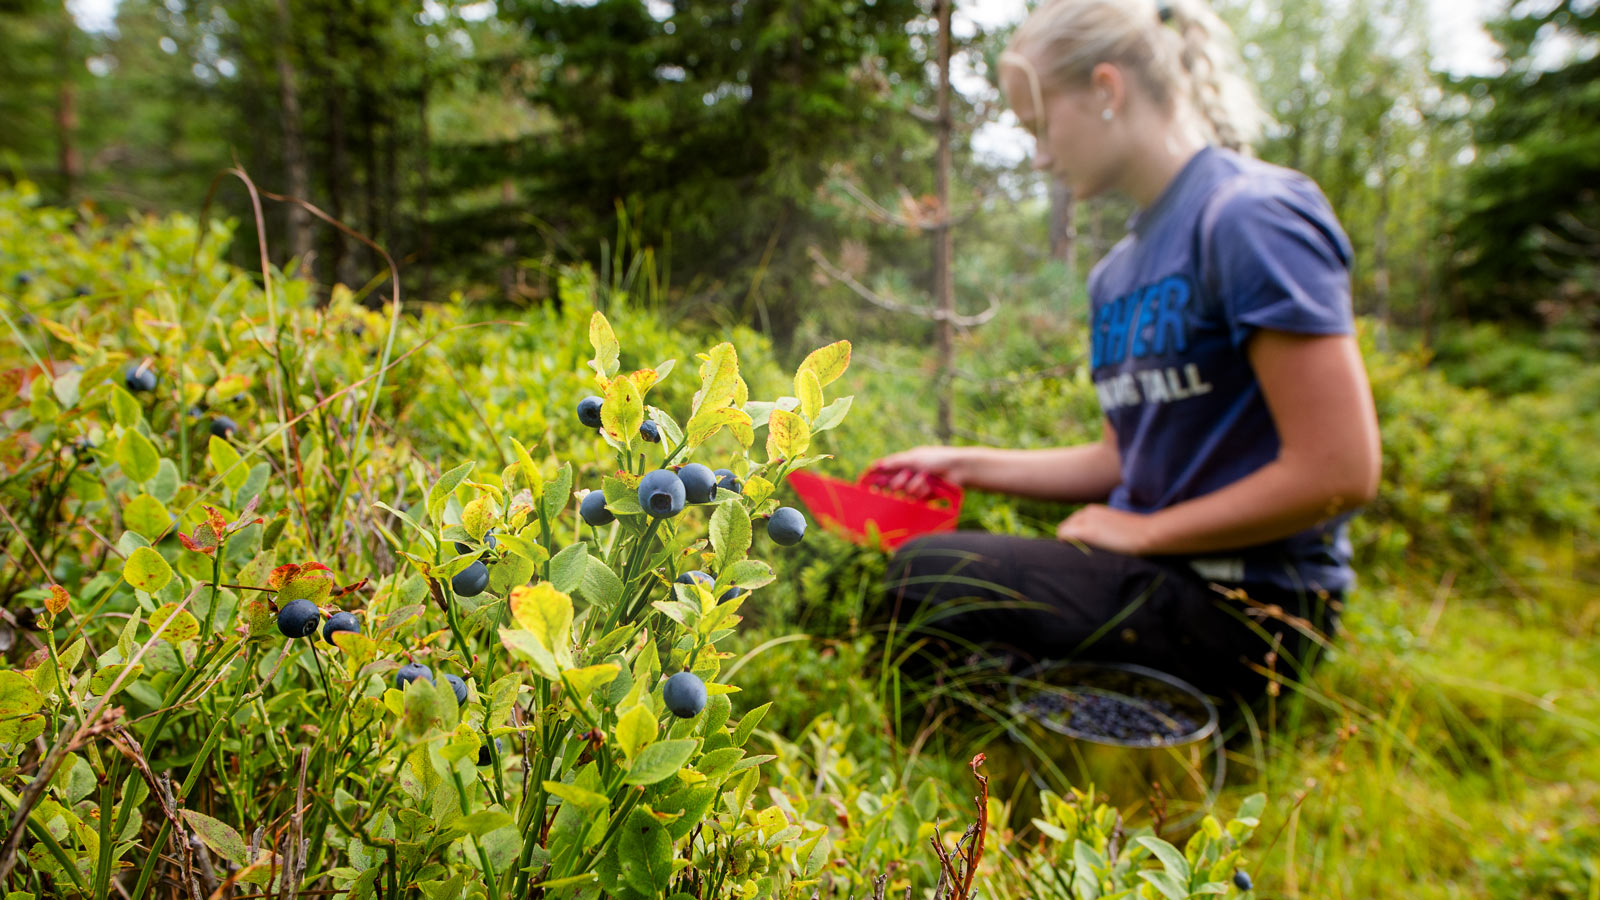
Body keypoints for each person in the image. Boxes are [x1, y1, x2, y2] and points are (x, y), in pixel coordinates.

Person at [868, 0, 1382, 711]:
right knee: (918, 576)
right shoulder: (1117, 273)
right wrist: (961, 464)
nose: (1042, 157)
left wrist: (1144, 531)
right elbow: (1123, 458)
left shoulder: (1248, 216)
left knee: (930, 576)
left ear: (1107, 90)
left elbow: (1339, 471)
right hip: (1155, 573)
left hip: (1250, 604)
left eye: (1042, 128)